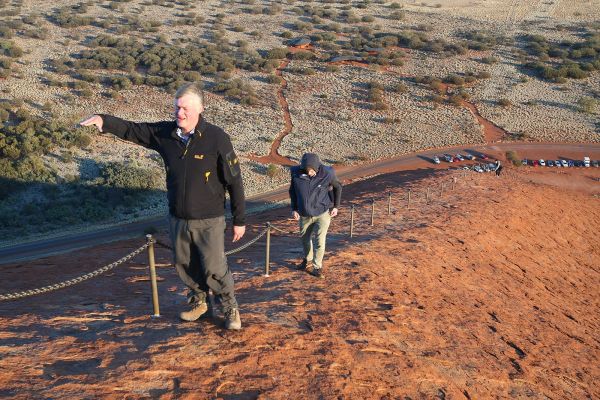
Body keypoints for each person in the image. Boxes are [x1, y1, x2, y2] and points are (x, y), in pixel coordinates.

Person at [80, 83, 246, 330]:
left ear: (200, 108)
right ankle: (199, 303)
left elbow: (234, 180)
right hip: (178, 218)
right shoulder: (166, 134)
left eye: (185, 108)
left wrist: (239, 219)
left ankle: (230, 308)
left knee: (214, 267)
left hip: (209, 219)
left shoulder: (217, 138)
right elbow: (134, 130)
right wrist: (104, 120)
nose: (180, 113)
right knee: (185, 264)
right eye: (177, 107)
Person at [289, 153, 342, 278]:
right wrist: (294, 209)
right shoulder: (296, 174)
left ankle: (317, 267)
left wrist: (336, 206)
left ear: (317, 167)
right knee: (305, 239)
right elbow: (293, 191)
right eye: (307, 170)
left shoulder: (327, 173)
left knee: (320, 240)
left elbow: (338, 187)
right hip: (304, 214)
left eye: (312, 170)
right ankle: (307, 261)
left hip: (322, 213)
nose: (310, 173)